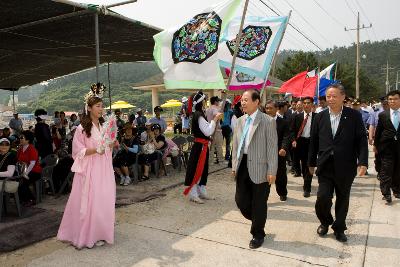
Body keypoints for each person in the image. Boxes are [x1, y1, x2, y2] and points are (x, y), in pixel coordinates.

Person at [308, 84, 368, 243]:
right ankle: (325, 221)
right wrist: (310, 162)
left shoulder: (354, 116)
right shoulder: (319, 116)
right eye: (328, 96)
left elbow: (361, 140)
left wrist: (362, 162)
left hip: (346, 166)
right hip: (325, 165)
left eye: (334, 96)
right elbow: (313, 141)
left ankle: (339, 228)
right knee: (322, 197)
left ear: (343, 97)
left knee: (343, 198)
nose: (331, 99)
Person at [57, 87, 116, 249]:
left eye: (102, 106)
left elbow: (107, 147)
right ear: (89, 108)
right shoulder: (82, 129)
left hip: (104, 167)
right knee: (92, 201)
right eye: (97, 106)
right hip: (90, 169)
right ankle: (89, 234)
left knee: (104, 199)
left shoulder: (104, 126)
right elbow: (77, 152)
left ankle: (101, 231)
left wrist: (111, 144)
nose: (101, 109)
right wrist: (95, 150)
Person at [232, 90, 278, 249]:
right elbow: (235, 145)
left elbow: (272, 149)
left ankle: (258, 234)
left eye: (246, 100)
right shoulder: (239, 121)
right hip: (242, 165)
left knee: (259, 203)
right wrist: (234, 165)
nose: (242, 103)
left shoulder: (268, 121)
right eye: (242, 100)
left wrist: (272, 170)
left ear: (256, 101)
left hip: (261, 167)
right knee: (241, 201)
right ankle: (259, 219)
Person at [184, 91, 223, 204]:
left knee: (203, 169)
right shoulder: (198, 115)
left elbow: (205, 132)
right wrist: (215, 120)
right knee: (197, 169)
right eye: (205, 100)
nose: (206, 102)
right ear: (202, 102)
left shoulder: (200, 114)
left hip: (202, 145)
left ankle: (201, 190)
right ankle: (193, 193)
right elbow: (208, 131)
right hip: (200, 146)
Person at [374, 90, 400, 204]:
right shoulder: (383, 115)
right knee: (386, 170)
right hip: (386, 147)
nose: (392, 101)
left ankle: (397, 190)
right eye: (390, 99)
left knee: (398, 169)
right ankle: (386, 193)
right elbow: (379, 131)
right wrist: (375, 145)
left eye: (395, 99)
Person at [265, 100, 291, 201]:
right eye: (267, 108)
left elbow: (286, 136)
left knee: (280, 175)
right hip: (264, 153)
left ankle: (282, 192)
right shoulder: (261, 122)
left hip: (278, 153)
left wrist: (283, 148)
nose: (268, 110)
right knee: (265, 175)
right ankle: (264, 194)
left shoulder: (283, 122)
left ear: (276, 109)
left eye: (271, 108)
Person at [291, 97, 315, 197]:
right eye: (304, 103)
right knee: (303, 164)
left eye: (308, 103)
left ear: (312, 105)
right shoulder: (297, 117)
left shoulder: (317, 117)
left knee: (309, 164)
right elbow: (292, 130)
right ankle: (306, 180)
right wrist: (293, 140)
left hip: (312, 143)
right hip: (300, 143)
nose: (306, 105)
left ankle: (307, 188)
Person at [17, 130, 43, 206]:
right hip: (23, 170)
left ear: (28, 139)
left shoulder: (32, 149)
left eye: (22, 138)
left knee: (23, 182)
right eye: (20, 138)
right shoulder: (20, 149)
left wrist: (25, 174)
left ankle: (31, 199)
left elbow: (32, 164)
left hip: (35, 171)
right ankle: (23, 198)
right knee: (17, 181)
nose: (20, 139)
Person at [206, 96, 224, 164]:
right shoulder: (215, 108)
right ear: (215, 102)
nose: (219, 102)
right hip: (216, 129)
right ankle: (221, 160)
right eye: (218, 101)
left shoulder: (208, 109)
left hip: (210, 129)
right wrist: (220, 112)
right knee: (219, 145)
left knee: (211, 146)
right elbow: (216, 115)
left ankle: (210, 161)